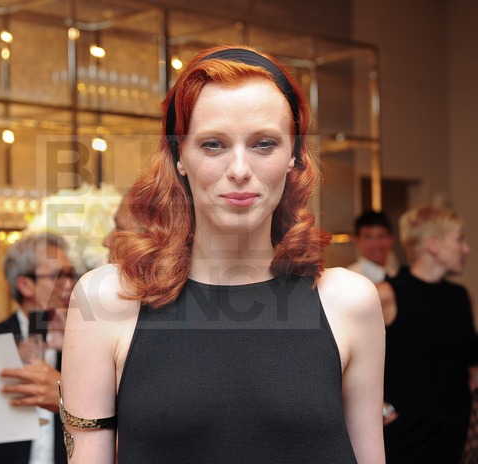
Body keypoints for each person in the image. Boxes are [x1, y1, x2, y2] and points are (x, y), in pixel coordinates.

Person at [60, 45, 385, 463]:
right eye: (213, 144)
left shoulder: (349, 302)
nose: (239, 170)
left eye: (264, 144)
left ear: (294, 156)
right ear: (179, 156)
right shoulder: (107, 301)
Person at [0, 231, 77, 464]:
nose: (69, 285)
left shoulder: (81, 341)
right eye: (57, 276)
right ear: (25, 285)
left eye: (70, 275)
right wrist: (12, 370)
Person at [377, 205, 477, 463]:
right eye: (459, 239)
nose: (466, 249)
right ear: (433, 245)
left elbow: (468, 364)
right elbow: (340, 358)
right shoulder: (387, 295)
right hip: (405, 440)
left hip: (454, 439)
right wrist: (380, 408)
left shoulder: (461, 297)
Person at [348, 209, 397, 284]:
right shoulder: (350, 279)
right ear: (357, 240)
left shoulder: (394, 275)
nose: (376, 244)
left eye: (381, 236)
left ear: (391, 238)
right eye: (369, 237)